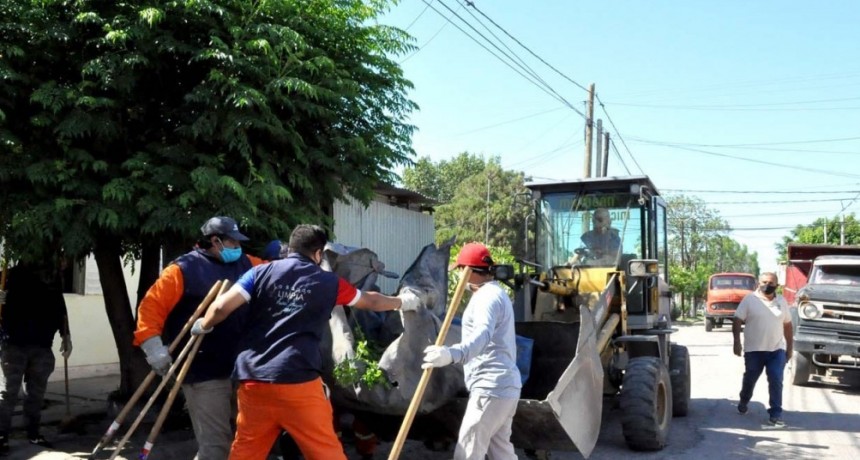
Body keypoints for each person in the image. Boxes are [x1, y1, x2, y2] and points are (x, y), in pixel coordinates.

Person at [190, 224, 421, 459]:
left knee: (246, 451)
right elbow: (370, 302)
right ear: (318, 253)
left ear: (291, 248)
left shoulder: (259, 273)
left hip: (254, 380)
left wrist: (203, 325)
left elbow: (220, 307)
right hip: (298, 381)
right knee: (325, 451)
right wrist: (402, 302)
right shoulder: (328, 282)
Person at [134, 216, 264, 460]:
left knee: (246, 440)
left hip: (243, 367)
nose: (238, 247)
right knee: (215, 447)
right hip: (203, 371)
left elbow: (275, 273)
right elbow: (150, 308)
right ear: (215, 242)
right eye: (233, 242)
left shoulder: (248, 264)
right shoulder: (182, 270)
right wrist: (154, 349)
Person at [421, 242, 521, 460]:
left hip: (490, 388)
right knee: (501, 452)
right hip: (502, 387)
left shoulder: (487, 298)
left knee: (468, 452)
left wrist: (450, 354)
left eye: (460, 270)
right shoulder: (495, 294)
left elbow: (481, 336)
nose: (459, 276)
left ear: (471, 271)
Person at [0, 257, 72, 454]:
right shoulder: (9, 276)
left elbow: (60, 309)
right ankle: (1, 436)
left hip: (42, 345)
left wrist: (66, 336)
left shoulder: (52, 279)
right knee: (8, 393)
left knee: (36, 394)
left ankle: (33, 433)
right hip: (14, 344)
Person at [732, 272, 793, 426]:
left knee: (776, 379)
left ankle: (776, 414)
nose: (767, 285)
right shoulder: (750, 300)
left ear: (777, 285)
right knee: (750, 379)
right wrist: (737, 342)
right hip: (754, 350)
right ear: (758, 284)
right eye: (764, 282)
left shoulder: (781, 301)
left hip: (776, 350)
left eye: (771, 282)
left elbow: (787, 325)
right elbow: (737, 320)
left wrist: (790, 348)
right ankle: (744, 400)